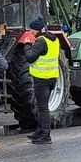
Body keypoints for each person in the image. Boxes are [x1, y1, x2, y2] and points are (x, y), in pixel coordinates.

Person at [22, 16, 59, 145]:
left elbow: (30, 57)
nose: (31, 33)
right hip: (52, 78)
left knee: (43, 108)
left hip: (42, 79)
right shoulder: (54, 40)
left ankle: (46, 136)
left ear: (37, 30)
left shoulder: (41, 41)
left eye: (32, 30)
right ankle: (39, 131)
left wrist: (26, 44)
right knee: (41, 106)